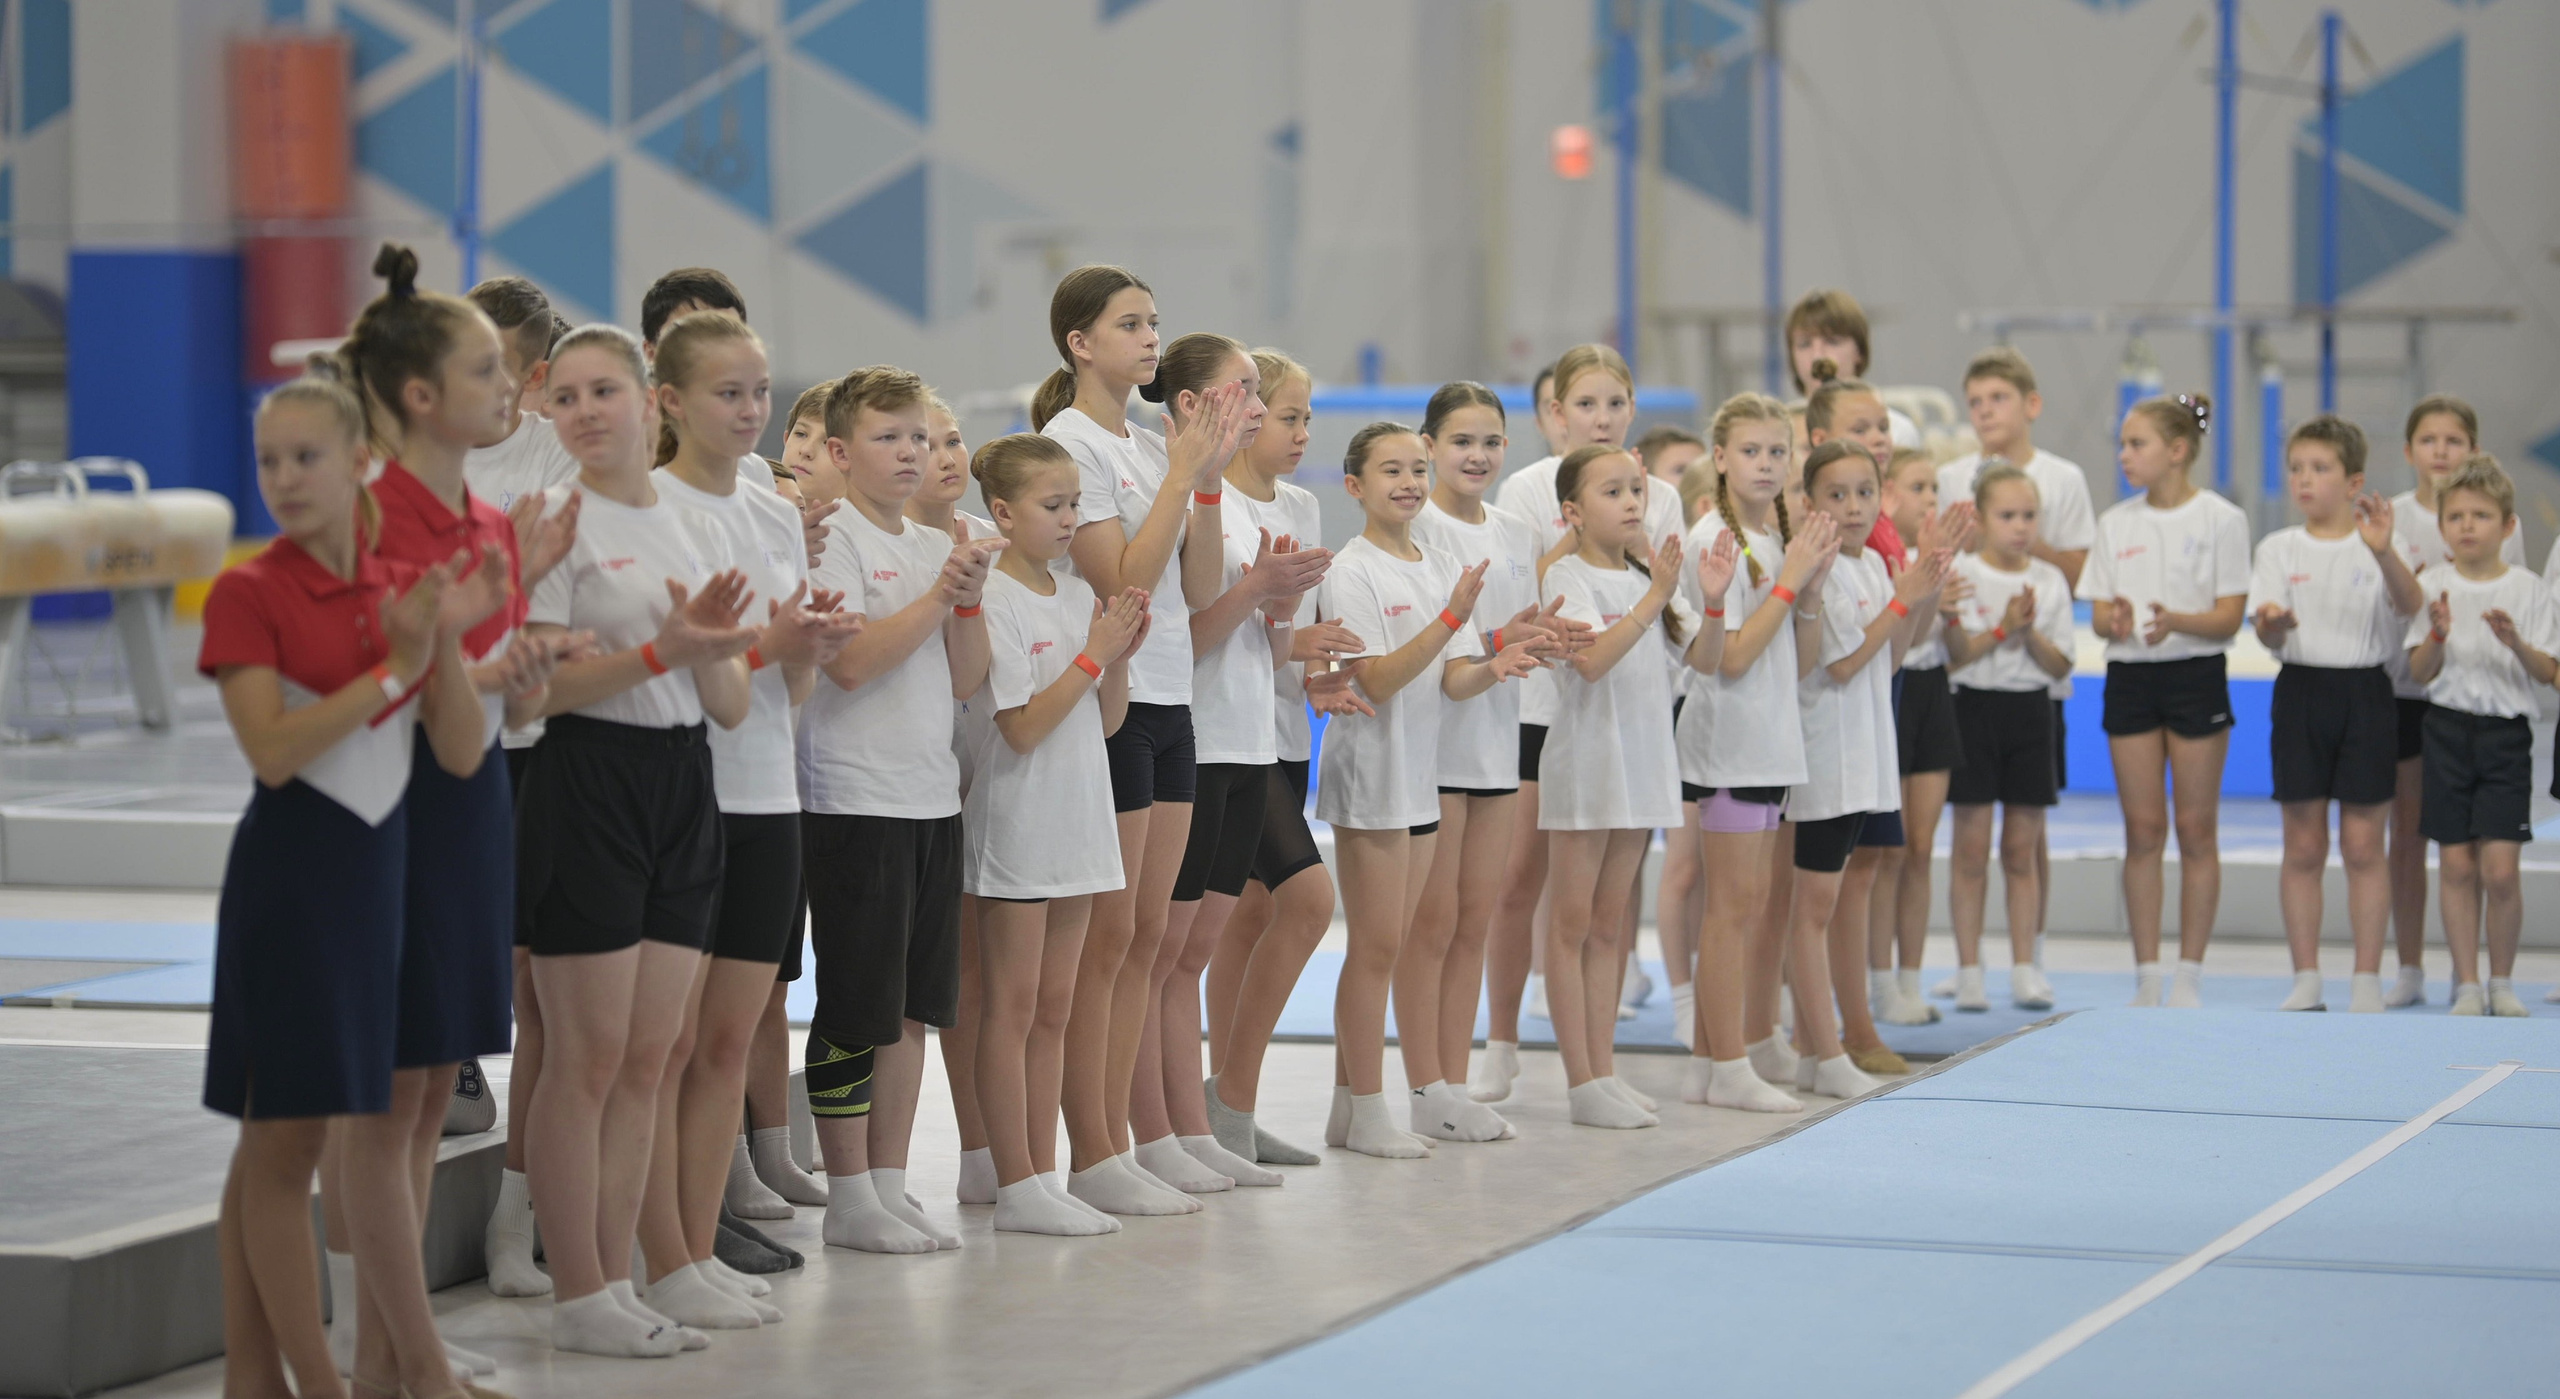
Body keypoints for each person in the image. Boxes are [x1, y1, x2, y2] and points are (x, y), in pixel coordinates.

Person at [203, 369, 493, 1399]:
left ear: (358, 462)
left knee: (302, 1132)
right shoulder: (251, 589)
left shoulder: (391, 589)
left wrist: (444, 640)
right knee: (282, 1141)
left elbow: (458, 751)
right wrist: (388, 670)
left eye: (306, 457)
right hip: (295, 879)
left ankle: (261, 1377)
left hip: (382, 878)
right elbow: (273, 754)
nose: (283, 478)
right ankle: (310, 1377)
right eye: (269, 460)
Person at [336, 245, 570, 1391]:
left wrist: (522, 655)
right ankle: (403, 1353)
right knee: (387, 1101)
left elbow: (499, 710)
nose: (512, 393)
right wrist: (468, 653)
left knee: (434, 1091)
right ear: (422, 395)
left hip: (472, 801)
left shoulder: (484, 523)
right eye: (491, 373)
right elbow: (377, 698)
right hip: (390, 816)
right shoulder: (369, 516)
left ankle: (391, 1350)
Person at [516, 324, 760, 1358]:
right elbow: (536, 695)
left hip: (683, 777)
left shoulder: (693, 527)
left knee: (653, 1053)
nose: (584, 412)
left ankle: (624, 1276)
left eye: (602, 390)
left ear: (647, 402)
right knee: (589, 1054)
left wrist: (705, 651)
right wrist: (664, 647)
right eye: (564, 397)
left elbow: (732, 698)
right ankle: (580, 1287)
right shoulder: (549, 526)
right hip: (585, 779)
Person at [638, 310, 859, 1326]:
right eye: (728, 393)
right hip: (692, 790)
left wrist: (808, 642)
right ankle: (662, 1253)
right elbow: (704, 668)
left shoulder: (775, 510)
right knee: (670, 1045)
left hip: (770, 788)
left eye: (759, 392)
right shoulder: (656, 507)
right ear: (671, 402)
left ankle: (696, 1242)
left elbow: (793, 687)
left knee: (728, 1041)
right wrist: (775, 643)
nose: (750, 411)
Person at [1033, 266, 1252, 1215]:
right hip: (1110, 705)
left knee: (1149, 934)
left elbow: (1200, 591)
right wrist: (1173, 476)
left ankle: (1143, 1135)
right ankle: (1094, 1146)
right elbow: (1120, 574)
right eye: (1131, 324)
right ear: (1081, 343)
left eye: (1156, 321)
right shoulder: (1068, 443)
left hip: (1171, 699)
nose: (1151, 337)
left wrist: (1200, 486)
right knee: (1111, 936)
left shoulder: (1145, 439)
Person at [798, 365, 1001, 1251]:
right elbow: (848, 663)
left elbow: (964, 677)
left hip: (928, 797)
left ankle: (887, 1180)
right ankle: (845, 1190)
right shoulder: (831, 538)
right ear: (842, 453)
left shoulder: (932, 542)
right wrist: (935, 594)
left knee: (916, 1007)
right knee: (856, 1003)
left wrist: (966, 592)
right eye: (891, 437)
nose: (913, 451)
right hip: (854, 797)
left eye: (920, 435)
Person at [1321, 422, 1546, 1157]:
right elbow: (1376, 679)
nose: (1411, 482)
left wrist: (1494, 661)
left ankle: (1353, 1111)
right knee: (1377, 947)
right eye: (1392, 470)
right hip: (1372, 777)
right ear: (1355, 485)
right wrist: (1452, 616)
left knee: (1393, 942)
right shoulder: (1352, 571)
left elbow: (1451, 676)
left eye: (1417, 468)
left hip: (1420, 777)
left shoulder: (1430, 561)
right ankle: (1365, 1106)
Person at [1138, 335, 1330, 1190]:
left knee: (1194, 950)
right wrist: (1258, 596)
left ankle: (1208, 1117)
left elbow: (1262, 642)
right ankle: (1165, 1128)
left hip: (1253, 742)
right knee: (1166, 953)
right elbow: (1191, 635)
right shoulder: (1184, 495)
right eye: (1255, 400)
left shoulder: (1291, 507)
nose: (1268, 417)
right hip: (1198, 739)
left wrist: (1291, 623)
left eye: (1281, 406)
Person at [962, 432, 1149, 1234]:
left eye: (1077, 502)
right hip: (1017, 819)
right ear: (1002, 513)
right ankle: (1015, 1180)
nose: (1073, 518)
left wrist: (1119, 654)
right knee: (1011, 1005)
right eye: (1054, 505)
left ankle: (1042, 1171)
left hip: (1079, 817)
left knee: (1057, 1005)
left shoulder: (1077, 595)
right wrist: (1091, 657)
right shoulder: (995, 598)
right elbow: (1022, 728)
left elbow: (1108, 723)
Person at [1478, 345, 1665, 1101]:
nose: (1600, 417)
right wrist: (1583, 525)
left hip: (1624, 714)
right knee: (1521, 879)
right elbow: (1541, 582)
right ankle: (1501, 1039)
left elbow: (1661, 587)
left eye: (1614, 405)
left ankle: (1597, 1053)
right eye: (1584, 405)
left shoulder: (1652, 492)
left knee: (1605, 901)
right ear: (1555, 412)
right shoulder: (1527, 490)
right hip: (1536, 709)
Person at [1408, 382, 1585, 1139]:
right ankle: (1425, 1085)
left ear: (1507, 448)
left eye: (1489, 442)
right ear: (1428, 447)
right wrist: (1493, 645)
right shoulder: (1414, 525)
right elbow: (1427, 644)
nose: (1476, 455)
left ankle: (1453, 1078)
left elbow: (1502, 631)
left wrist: (1532, 634)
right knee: (1431, 922)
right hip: (1428, 742)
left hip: (1494, 741)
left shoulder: (1514, 531)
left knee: (1474, 917)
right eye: (1460, 442)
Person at [1202, 348, 1364, 1170]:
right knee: (1308, 901)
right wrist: (1291, 638)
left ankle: (1232, 1100)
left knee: (1252, 914)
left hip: (1284, 733)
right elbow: (1203, 624)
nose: (1301, 432)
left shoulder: (1302, 501)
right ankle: (1224, 1098)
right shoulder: (1215, 499)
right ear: (1248, 414)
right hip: (1229, 734)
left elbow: (1293, 635)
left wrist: (1320, 671)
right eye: (1287, 415)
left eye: (1307, 418)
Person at [1537, 445, 1719, 1127]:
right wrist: (1654, 598)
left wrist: (1715, 598)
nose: (1632, 502)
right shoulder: (1566, 574)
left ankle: (1604, 1069)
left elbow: (1705, 656)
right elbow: (1589, 662)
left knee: (1611, 924)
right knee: (1572, 922)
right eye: (1612, 491)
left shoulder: (1648, 575)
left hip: (1641, 756)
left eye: (1636, 489)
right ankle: (1580, 1080)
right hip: (1587, 758)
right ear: (1574, 512)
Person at [1675, 393, 1838, 1113]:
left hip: (1771, 743)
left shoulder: (1773, 538)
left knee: (1748, 903)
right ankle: (1728, 1061)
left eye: (1779, 451)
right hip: (1730, 747)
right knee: (1731, 909)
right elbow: (1731, 658)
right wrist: (1793, 580)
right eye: (1752, 451)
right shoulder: (1715, 538)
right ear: (1719, 459)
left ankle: (1719, 1058)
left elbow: (1799, 659)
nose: (1768, 464)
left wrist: (1808, 591)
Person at [1780, 442, 1946, 1097]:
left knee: (1827, 902)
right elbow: (1839, 665)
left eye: (1863, 493)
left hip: (1867, 750)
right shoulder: (1815, 568)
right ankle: (1824, 1048)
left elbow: (1895, 655)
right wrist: (1902, 601)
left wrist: (1921, 587)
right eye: (1836, 494)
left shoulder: (1877, 563)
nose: (1852, 507)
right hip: (1823, 755)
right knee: (1811, 909)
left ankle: (1815, 1048)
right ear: (1809, 503)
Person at [2247, 416, 2423, 1013]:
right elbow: (2265, 630)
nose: (2304, 479)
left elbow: (2409, 606)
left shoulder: (2375, 546)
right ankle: (2307, 978)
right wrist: (2272, 623)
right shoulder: (2278, 548)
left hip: (2367, 697)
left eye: (2319, 468)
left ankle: (2368, 978)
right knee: (2302, 846)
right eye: (2296, 467)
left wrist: (2384, 553)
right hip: (2299, 691)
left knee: (2363, 845)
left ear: (2353, 484)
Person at [2083, 394, 2250, 1008]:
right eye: (2123, 444)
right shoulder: (2115, 523)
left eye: (2137, 444)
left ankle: (2190, 974)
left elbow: (2231, 613)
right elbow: (2100, 611)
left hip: (2194, 673)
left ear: (2177, 451)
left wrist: (2175, 619)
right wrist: (2114, 619)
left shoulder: (2220, 520)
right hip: (2131, 674)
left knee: (2195, 827)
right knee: (2143, 828)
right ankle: (2147, 974)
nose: (2124, 455)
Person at [2404, 456, 2558, 1017]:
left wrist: (2516, 643)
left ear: (2508, 526)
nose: (2468, 525)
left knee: (2499, 869)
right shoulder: (2433, 586)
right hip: (2446, 730)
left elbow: (2546, 673)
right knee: (2457, 865)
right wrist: (2439, 635)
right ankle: (2466, 981)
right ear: (2443, 527)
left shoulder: (2528, 589)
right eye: (2457, 516)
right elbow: (2419, 673)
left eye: (2482, 515)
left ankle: (2502, 981)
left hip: (2505, 737)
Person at [902, 393, 1004, 1208]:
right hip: (919, 777)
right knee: (952, 977)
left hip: (995, 765)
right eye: (924, 441)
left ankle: (998, 1144)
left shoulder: (992, 540)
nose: (944, 454)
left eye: (955, 438)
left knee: (995, 978)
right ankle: (971, 1146)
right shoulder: (884, 541)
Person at [2383, 395, 2509, 1007]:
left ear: (2474, 451)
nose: (2440, 451)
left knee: (2474, 843)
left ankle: (2484, 971)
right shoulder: (2395, 520)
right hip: (2409, 691)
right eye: (2428, 440)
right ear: (2409, 452)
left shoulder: (2488, 518)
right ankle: (2409, 963)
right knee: (2407, 831)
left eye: (2453, 441)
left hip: (2470, 702)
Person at [1939, 467, 2076, 1012]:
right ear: (1979, 519)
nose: (2020, 527)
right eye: (2008, 516)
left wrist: (2027, 629)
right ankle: (1969, 968)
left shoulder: (2049, 581)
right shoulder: (1962, 573)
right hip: (1973, 709)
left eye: (2029, 517)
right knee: (1971, 850)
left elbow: (2061, 661)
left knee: (2021, 849)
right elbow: (1956, 656)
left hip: (2030, 712)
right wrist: (2001, 628)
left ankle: (2025, 966)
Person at [1873, 448, 1967, 1027]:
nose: (1930, 498)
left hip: (1934, 690)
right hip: (1893, 687)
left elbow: (1941, 638)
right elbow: (1904, 634)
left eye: (1935, 487)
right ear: (1890, 496)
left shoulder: (1939, 559)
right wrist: (1927, 586)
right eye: (1918, 487)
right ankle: (1878, 980)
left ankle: (1911, 977)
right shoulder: (1882, 558)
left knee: (1921, 848)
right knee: (1886, 850)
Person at [1783, 288, 1920, 448]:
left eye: (1832, 341)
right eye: (1804, 344)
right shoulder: (1779, 432)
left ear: (1860, 351)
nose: (1817, 356)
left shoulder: (1896, 432)